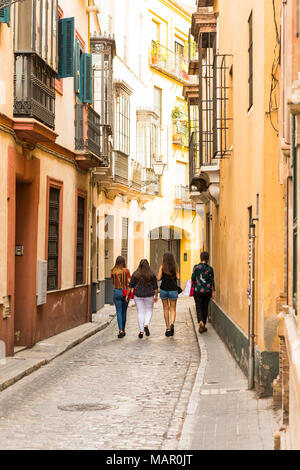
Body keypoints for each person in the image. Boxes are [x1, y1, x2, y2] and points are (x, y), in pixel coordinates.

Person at [126, 259, 158, 339]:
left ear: (139, 265)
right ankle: (146, 324)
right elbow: (155, 287)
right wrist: (156, 295)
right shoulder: (152, 274)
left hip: (138, 295)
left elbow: (130, 286)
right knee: (149, 311)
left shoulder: (135, 274)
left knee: (140, 312)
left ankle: (141, 331)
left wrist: (127, 295)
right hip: (149, 295)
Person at [157, 252, 180, 337]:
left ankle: (167, 328)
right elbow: (178, 277)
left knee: (165, 308)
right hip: (173, 289)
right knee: (173, 308)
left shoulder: (162, 267)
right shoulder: (175, 266)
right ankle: (172, 324)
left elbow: (158, 278)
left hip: (164, 289)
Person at [191, 251, 215, 333]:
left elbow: (193, 278)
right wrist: (213, 291)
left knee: (198, 307)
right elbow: (212, 281)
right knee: (205, 307)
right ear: (208, 258)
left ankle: (201, 322)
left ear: (200, 258)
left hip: (197, 290)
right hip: (207, 291)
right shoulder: (210, 269)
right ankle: (203, 323)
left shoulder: (196, 267)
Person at [111, 256, 130, 339]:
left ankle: (120, 330)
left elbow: (112, 282)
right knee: (124, 312)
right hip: (125, 292)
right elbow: (129, 282)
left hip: (117, 291)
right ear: (123, 262)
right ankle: (124, 329)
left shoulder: (113, 271)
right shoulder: (126, 271)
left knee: (118, 311)